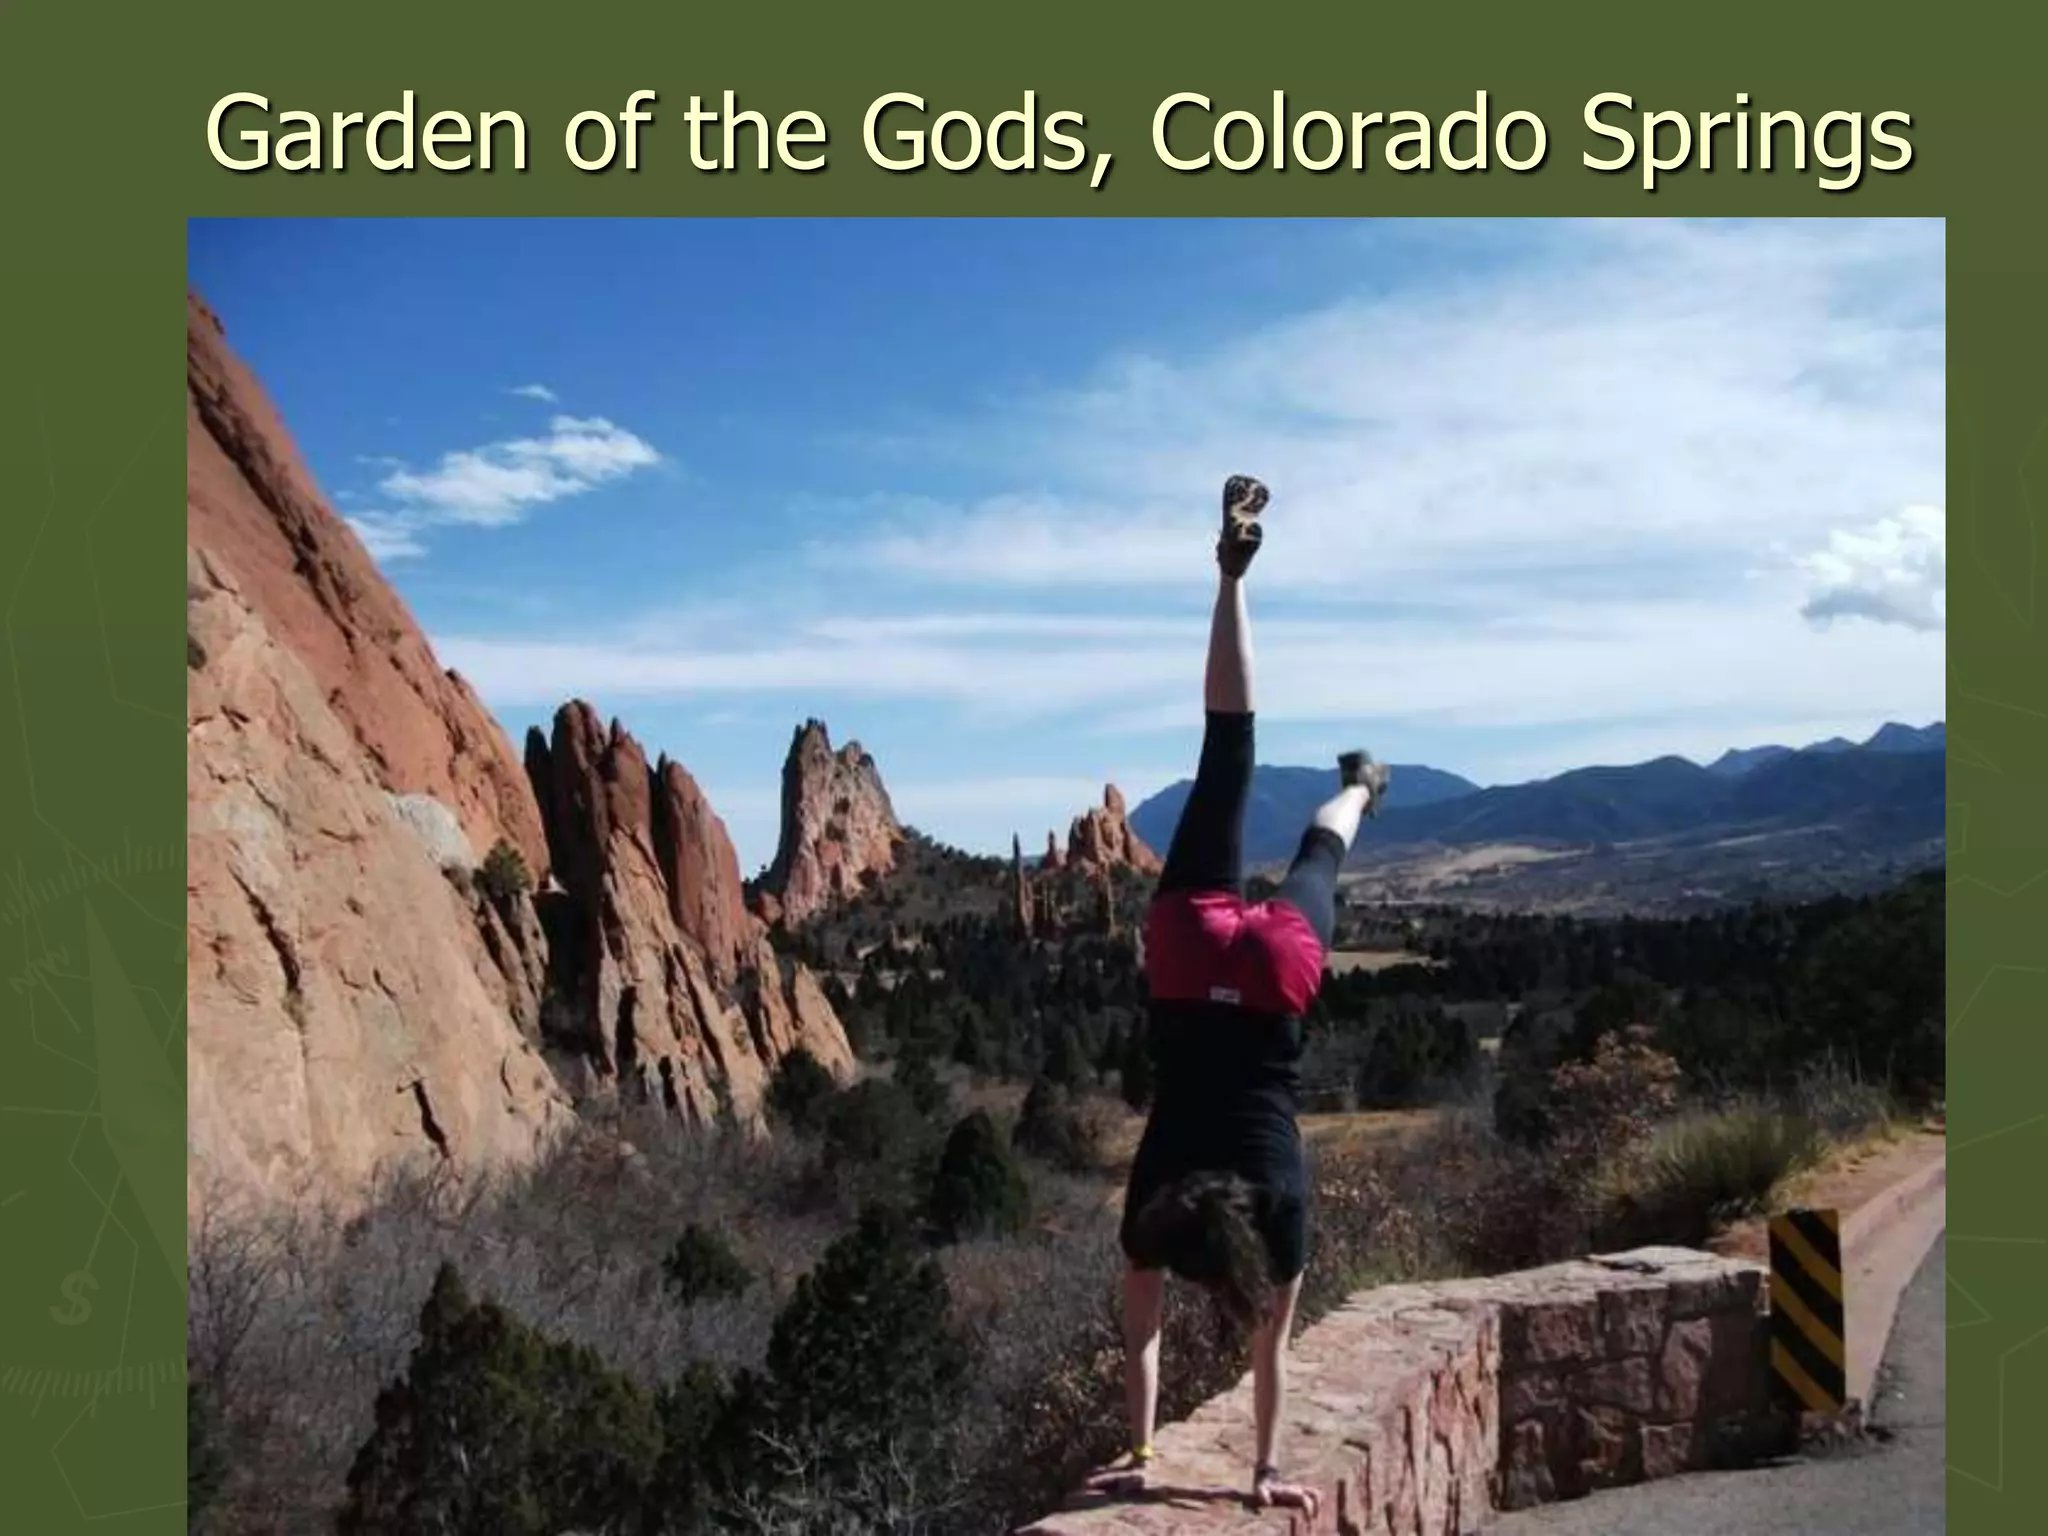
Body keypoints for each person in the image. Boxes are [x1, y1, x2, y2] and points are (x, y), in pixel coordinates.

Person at [1095, 474, 1389, 1519]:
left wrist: (1250, 1471)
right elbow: (1145, 1341)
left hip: (1272, 983)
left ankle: (1359, 786)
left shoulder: (1277, 1211)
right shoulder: (1149, 1216)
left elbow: (1265, 1365)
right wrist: (1140, 1444)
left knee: (1318, 852)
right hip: (1187, 958)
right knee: (1229, 755)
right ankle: (1235, 592)